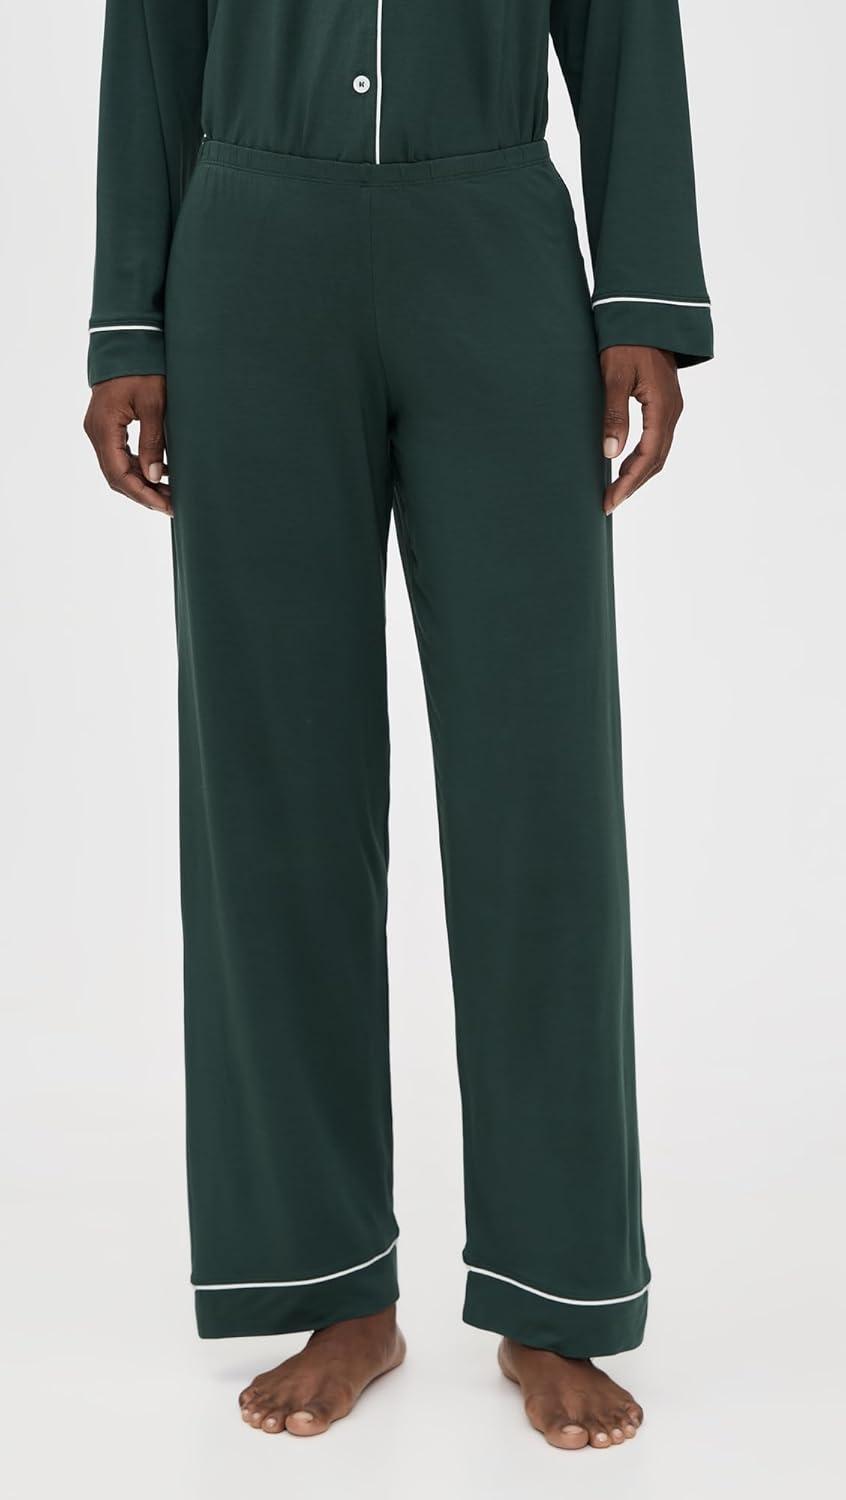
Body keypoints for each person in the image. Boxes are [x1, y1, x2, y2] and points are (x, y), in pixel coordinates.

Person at [83, 0, 711, 1452]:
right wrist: (129, 316)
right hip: (249, 250)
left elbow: (625, 31)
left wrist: (642, 302)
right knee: (271, 791)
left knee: (537, 790)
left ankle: (555, 1292)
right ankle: (329, 1286)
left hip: (494, 242)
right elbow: (149, 41)